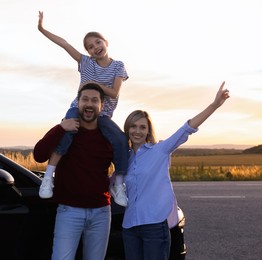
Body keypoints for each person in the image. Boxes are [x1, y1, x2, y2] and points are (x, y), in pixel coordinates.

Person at [122, 82, 230, 259]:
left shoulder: (160, 150)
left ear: (148, 130)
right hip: (130, 227)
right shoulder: (124, 159)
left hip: (155, 227)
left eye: (142, 127)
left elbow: (187, 128)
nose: (137, 131)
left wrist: (214, 105)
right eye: (133, 126)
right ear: (127, 129)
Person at [37, 11, 129, 206]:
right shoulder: (85, 62)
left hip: (102, 113)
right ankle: (48, 178)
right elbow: (64, 44)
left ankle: (119, 184)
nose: (95, 47)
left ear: (106, 42)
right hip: (78, 108)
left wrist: (92, 83)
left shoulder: (118, 66)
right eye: (90, 47)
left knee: (120, 139)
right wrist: (42, 29)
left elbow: (114, 93)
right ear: (87, 52)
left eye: (97, 42)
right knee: (67, 133)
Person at [33, 83, 115, 260]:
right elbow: (39, 155)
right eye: (85, 99)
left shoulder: (108, 136)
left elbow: (127, 162)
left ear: (101, 106)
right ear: (78, 103)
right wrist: (61, 128)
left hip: (101, 212)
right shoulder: (65, 130)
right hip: (69, 211)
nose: (89, 104)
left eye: (94, 100)